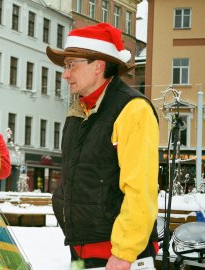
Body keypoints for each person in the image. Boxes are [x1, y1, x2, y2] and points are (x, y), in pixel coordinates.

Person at [46, 23, 159, 269]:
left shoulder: (133, 109)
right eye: (65, 66)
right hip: (81, 249)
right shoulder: (78, 111)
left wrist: (124, 252)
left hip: (117, 255)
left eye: (71, 64)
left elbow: (140, 188)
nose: (65, 74)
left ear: (98, 66)